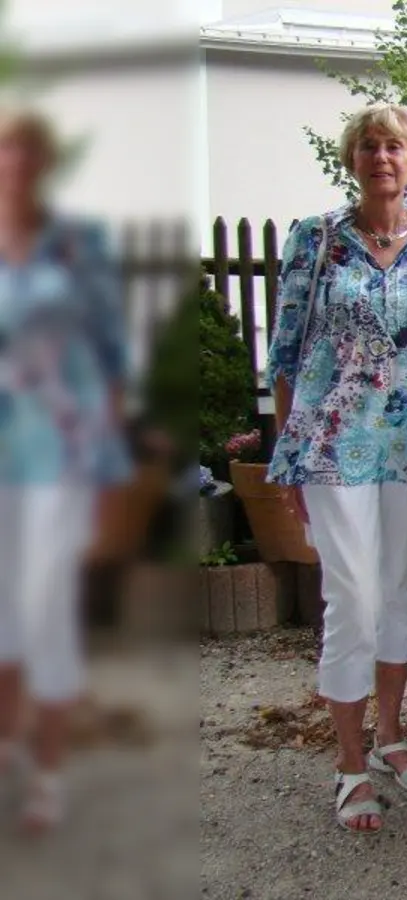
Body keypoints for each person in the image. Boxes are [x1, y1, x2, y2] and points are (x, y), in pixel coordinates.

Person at [266, 102, 407, 833]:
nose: (383, 156)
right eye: (370, 146)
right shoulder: (316, 240)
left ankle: (388, 735)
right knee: (350, 599)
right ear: (352, 159)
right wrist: (285, 453)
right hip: (331, 446)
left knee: (395, 595)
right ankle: (349, 764)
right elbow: (286, 351)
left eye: (396, 147)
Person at [0, 108, 129, 835]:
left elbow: (108, 360)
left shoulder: (79, 246)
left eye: (23, 152)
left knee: (47, 613)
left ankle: (48, 772)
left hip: (57, 459)